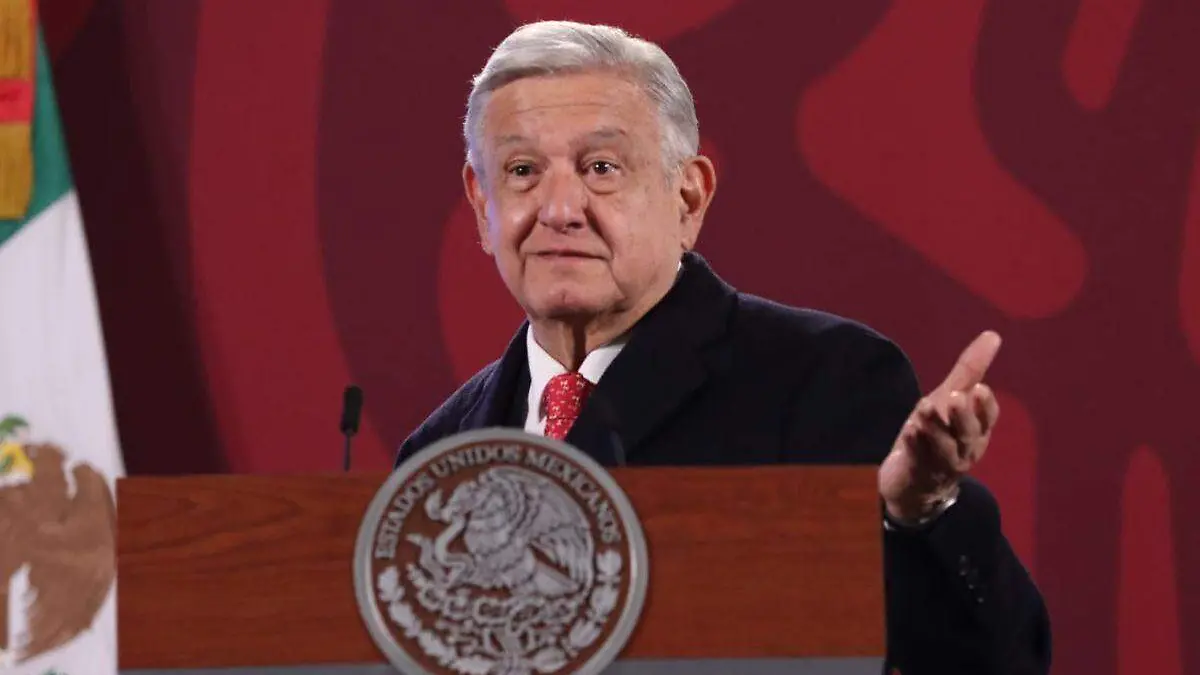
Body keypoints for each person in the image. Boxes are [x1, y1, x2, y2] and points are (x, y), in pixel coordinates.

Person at [395, 20, 1051, 674]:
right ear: (481, 204)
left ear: (688, 198)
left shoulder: (825, 379)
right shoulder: (439, 450)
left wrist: (918, 515)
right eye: (522, 171)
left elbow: (1000, 661)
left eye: (600, 168)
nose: (559, 209)